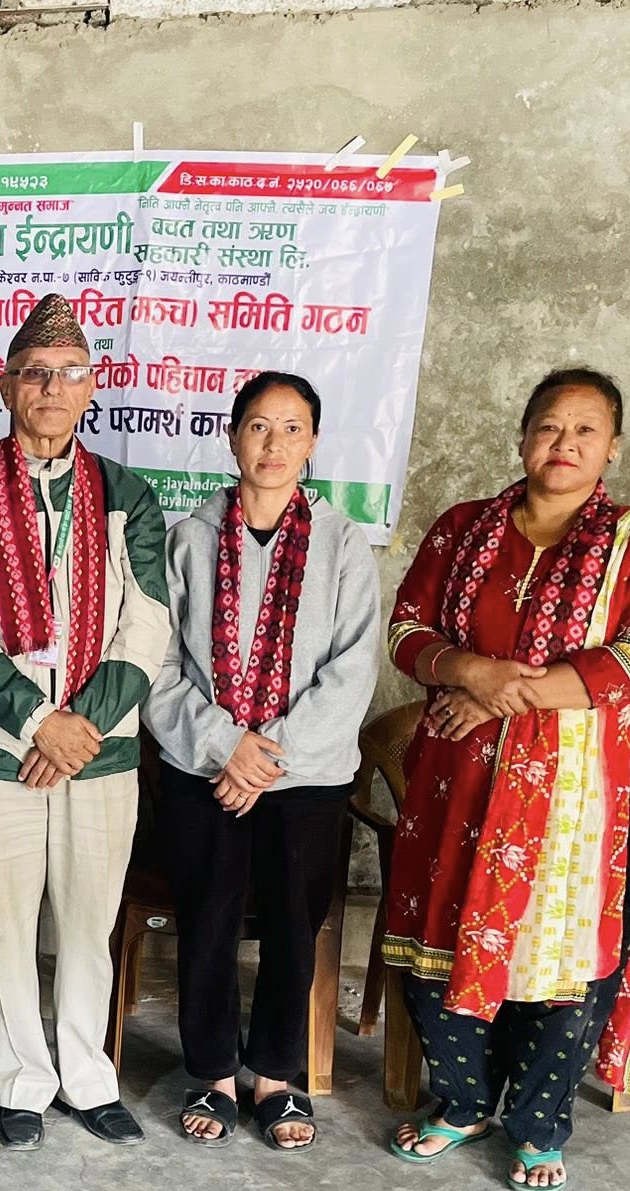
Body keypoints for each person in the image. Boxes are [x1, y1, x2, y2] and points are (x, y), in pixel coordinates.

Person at [381, 368, 630, 1191]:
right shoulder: (463, 529)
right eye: (550, 426)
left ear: (613, 447)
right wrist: (467, 670)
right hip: (455, 784)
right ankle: (462, 1103)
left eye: (586, 430)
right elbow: (408, 630)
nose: (565, 444)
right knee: (440, 940)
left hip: (573, 795)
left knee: (558, 958)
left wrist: (498, 693)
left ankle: (538, 1126)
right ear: (523, 437)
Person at [0, 292, 172, 1149]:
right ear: (5, 386)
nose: (52, 388)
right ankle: (22, 1080)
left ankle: (90, 1077)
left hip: (99, 754)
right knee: (6, 926)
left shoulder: (127, 496)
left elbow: (148, 622)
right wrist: (38, 723)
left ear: (92, 387)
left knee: (90, 925)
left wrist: (78, 731)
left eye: (68, 373)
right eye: (35, 373)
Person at [142, 372, 381, 1151]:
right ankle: (212, 1072)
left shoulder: (344, 544)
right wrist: (226, 746)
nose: (273, 444)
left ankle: (276, 1076)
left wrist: (265, 757)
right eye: (258, 426)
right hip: (205, 768)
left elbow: (352, 669)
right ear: (232, 436)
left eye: (292, 428)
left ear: (312, 443)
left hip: (303, 776)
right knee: (207, 921)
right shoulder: (188, 539)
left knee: (292, 926)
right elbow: (157, 664)